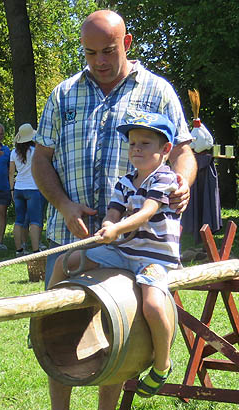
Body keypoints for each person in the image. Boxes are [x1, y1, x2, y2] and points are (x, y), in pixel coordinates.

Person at [30, 10, 196, 410]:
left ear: (128, 41)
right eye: (89, 52)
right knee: (56, 321)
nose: (99, 61)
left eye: (108, 51)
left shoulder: (157, 90)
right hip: (71, 233)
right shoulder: (63, 94)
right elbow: (40, 160)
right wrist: (64, 206)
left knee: (118, 321)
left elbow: (183, 152)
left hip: (133, 243)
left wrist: (182, 184)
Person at [52, 112, 181, 395]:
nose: (136, 148)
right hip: (123, 252)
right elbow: (113, 212)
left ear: (166, 150)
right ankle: (47, 317)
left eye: (145, 143)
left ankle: (162, 364)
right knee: (66, 262)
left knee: (153, 305)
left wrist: (117, 228)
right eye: (133, 143)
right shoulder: (125, 182)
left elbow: (147, 211)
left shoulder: (165, 178)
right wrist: (109, 225)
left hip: (153, 258)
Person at [8, 123, 45, 256]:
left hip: (18, 189)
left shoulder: (13, 152)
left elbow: (11, 173)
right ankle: (36, 250)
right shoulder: (36, 151)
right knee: (35, 220)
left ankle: (19, 250)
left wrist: (11, 190)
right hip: (33, 189)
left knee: (19, 220)